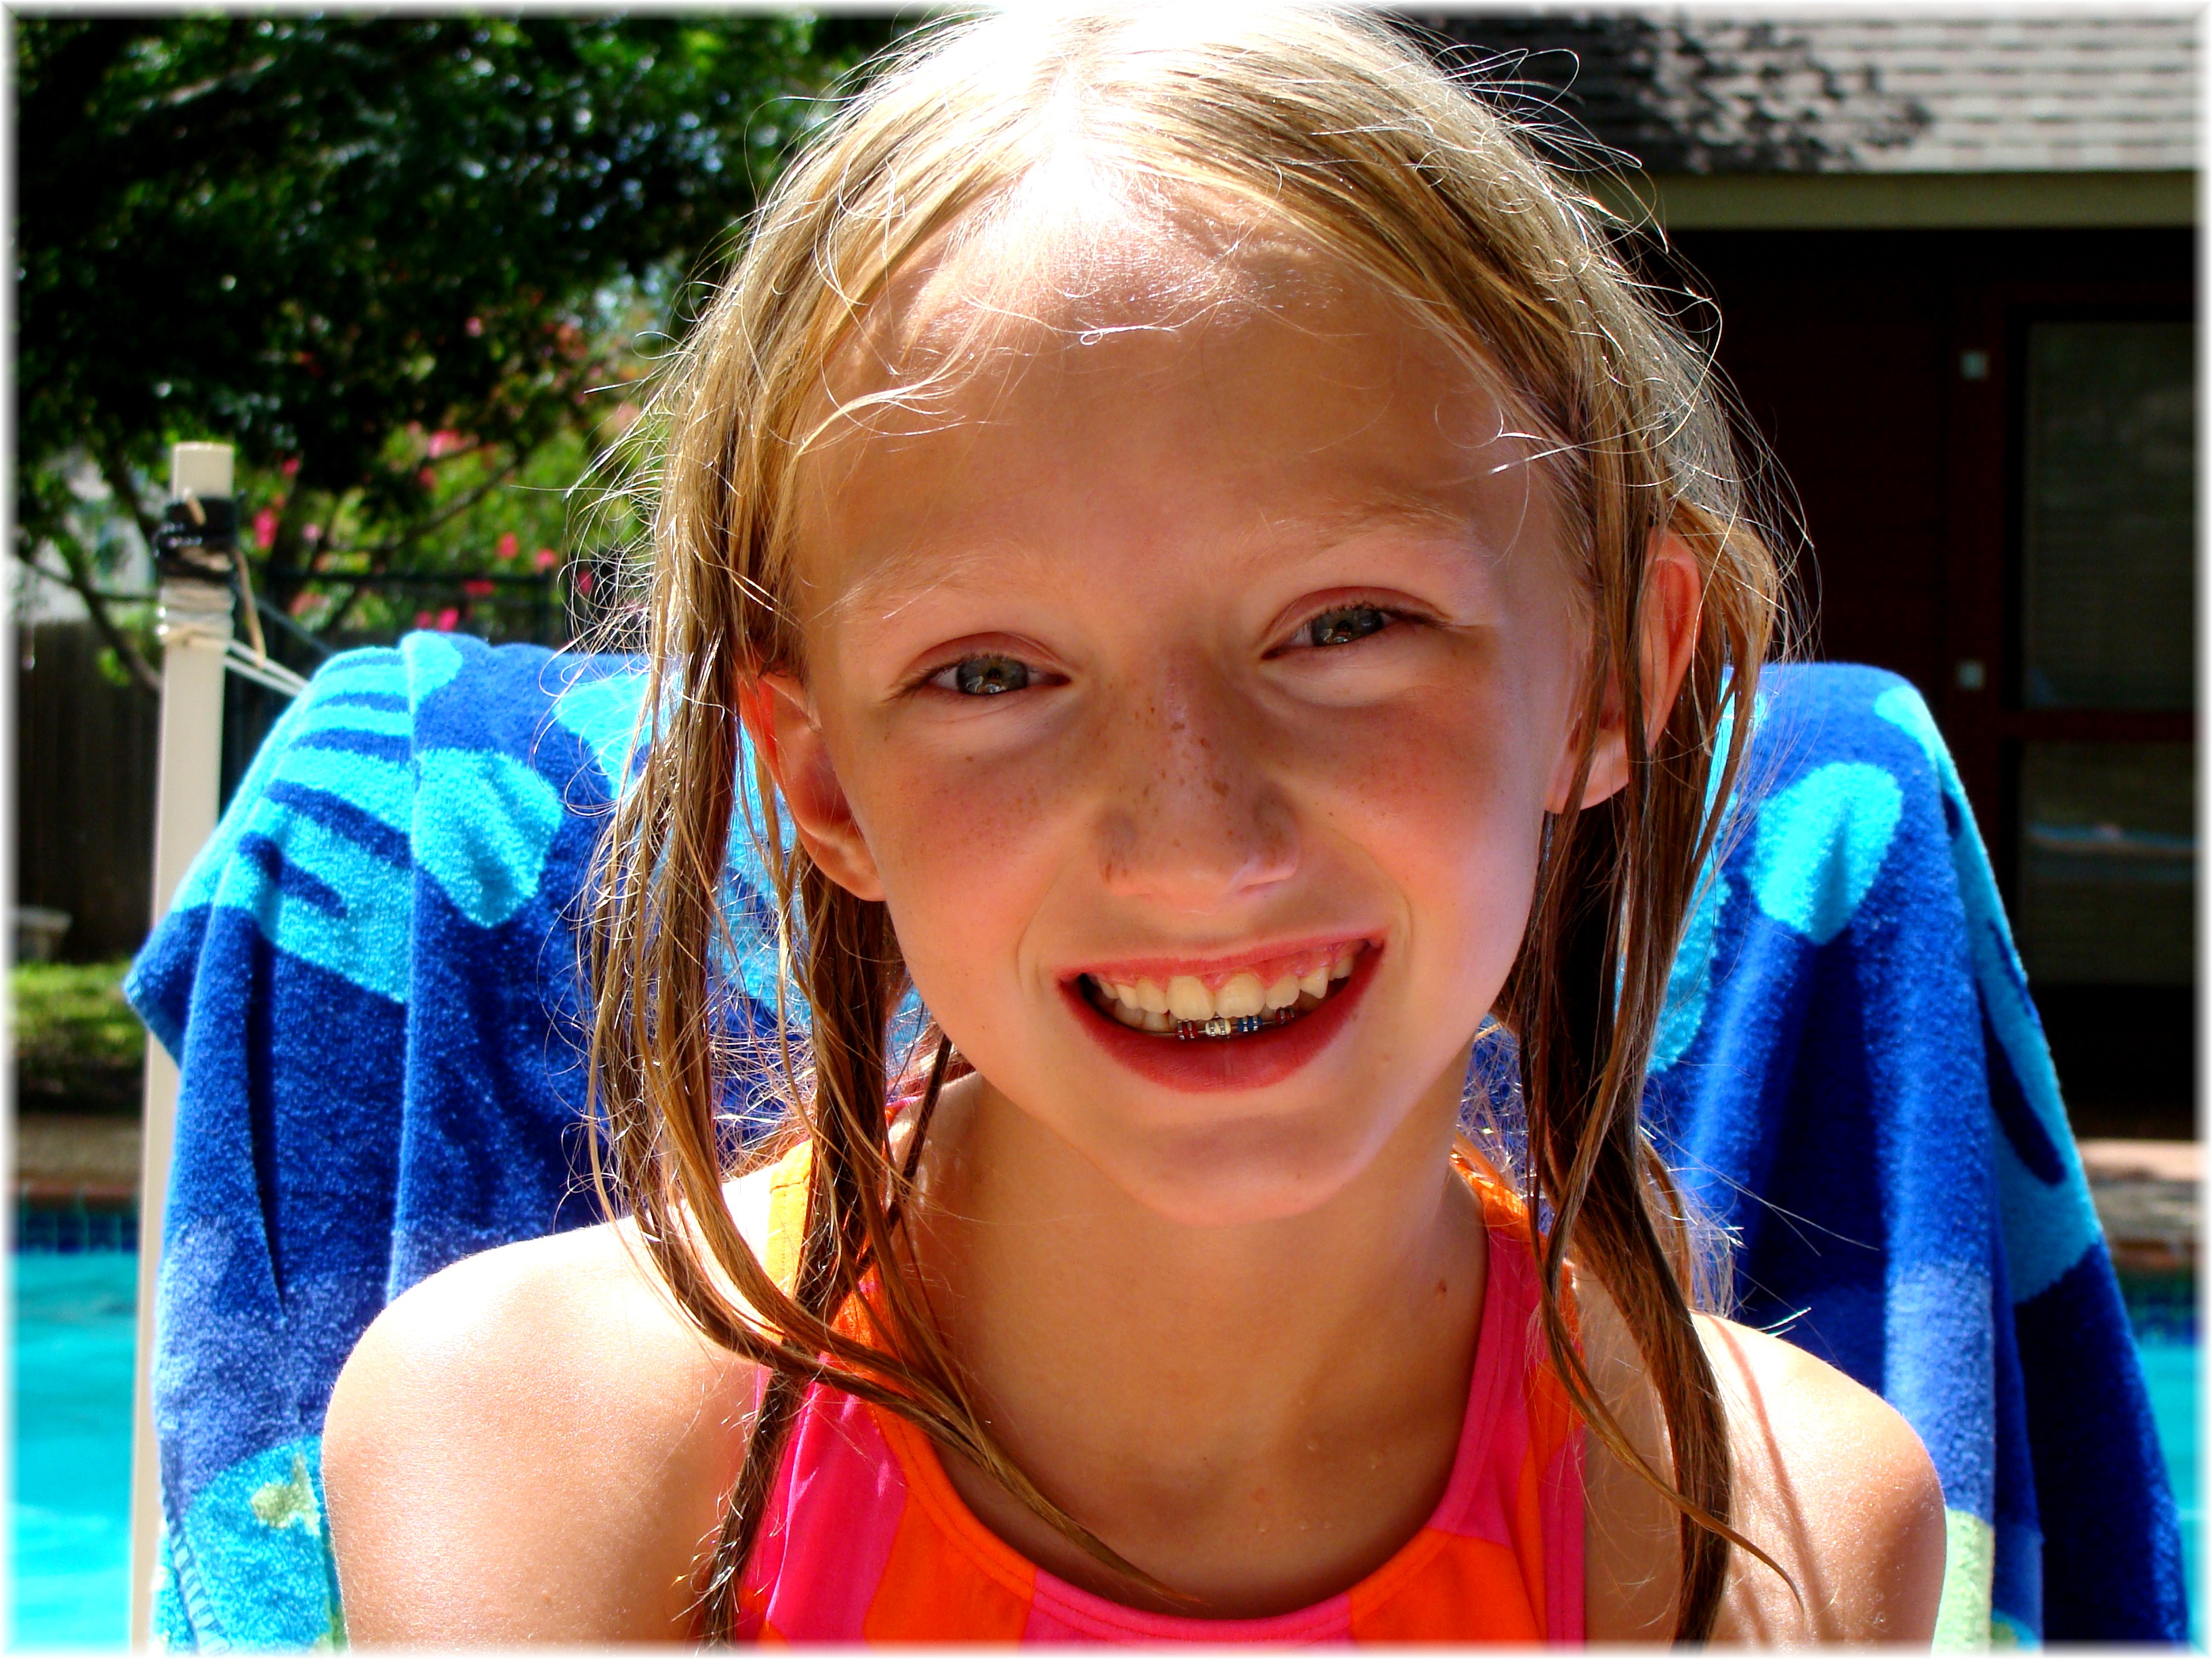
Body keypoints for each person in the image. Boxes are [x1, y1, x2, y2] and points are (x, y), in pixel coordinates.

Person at [322, 7, 1946, 1643]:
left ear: (1611, 675)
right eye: (991, 674)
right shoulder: (546, 1447)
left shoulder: (1767, 1530)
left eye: (1347, 627)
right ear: (818, 783)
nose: (1199, 848)